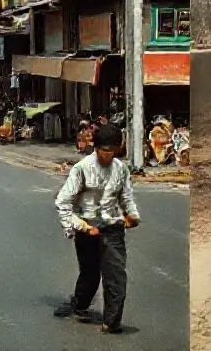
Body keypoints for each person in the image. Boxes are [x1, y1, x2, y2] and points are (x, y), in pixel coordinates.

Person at [54, 124, 139, 334]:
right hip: (87, 227)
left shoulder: (121, 169)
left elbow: (126, 196)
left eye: (112, 151)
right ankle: (80, 304)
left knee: (116, 275)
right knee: (90, 274)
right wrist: (80, 226)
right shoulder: (81, 169)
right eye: (104, 151)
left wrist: (132, 214)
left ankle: (112, 322)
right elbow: (62, 203)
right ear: (96, 148)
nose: (108, 156)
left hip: (113, 227)